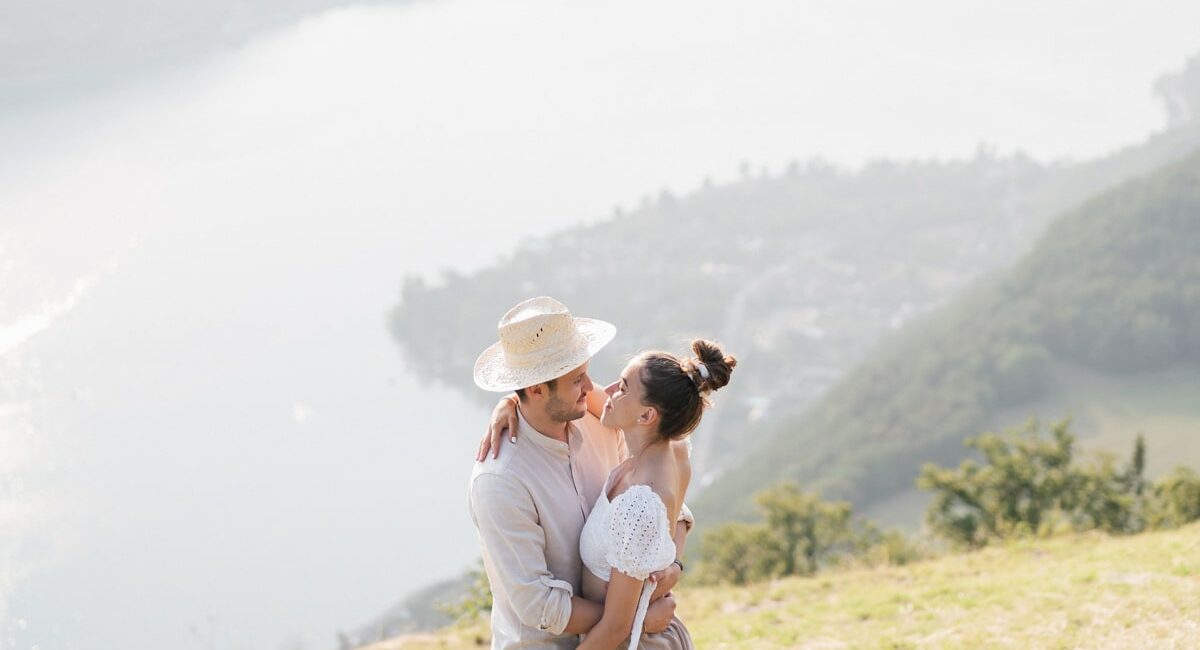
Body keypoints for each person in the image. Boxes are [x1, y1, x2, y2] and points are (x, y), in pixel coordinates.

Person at [468, 297, 692, 649]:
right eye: (577, 379)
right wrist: (632, 618)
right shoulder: (501, 481)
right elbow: (537, 605)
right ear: (537, 389)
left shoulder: (599, 419)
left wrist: (674, 565)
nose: (591, 387)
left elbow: (654, 503)